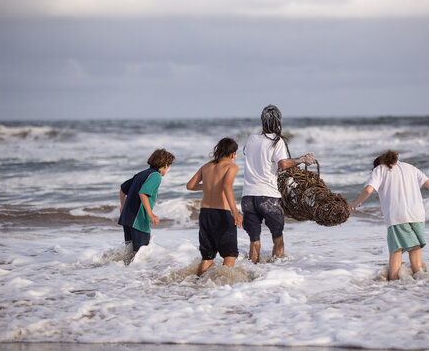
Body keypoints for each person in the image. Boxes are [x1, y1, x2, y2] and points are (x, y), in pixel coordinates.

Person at [350, 150, 429, 281]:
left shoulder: (379, 169)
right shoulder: (410, 168)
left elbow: (369, 189)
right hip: (418, 215)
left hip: (398, 216)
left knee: (396, 252)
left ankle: (393, 288)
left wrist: (357, 202)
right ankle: (424, 285)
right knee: (415, 253)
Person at [242, 104, 315, 263]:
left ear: (263, 121)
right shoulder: (277, 141)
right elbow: (282, 164)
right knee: (277, 237)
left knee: (254, 240)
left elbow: (245, 151)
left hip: (248, 197)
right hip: (267, 196)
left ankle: (252, 272)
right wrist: (301, 159)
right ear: (278, 122)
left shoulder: (252, 138)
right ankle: (276, 273)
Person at [187, 138, 242, 276]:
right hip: (222, 214)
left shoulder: (206, 166)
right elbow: (226, 186)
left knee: (208, 256)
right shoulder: (231, 166)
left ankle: (196, 284)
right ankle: (223, 287)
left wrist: (207, 186)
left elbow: (190, 186)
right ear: (233, 154)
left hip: (205, 213)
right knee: (230, 254)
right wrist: (235, 212)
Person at [118, 148, 175, 259]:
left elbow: (122, 189)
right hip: (138, 220)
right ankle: (137, 275)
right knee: (140, 254)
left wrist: (122, 207)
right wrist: (150, 214)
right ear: (165, 165)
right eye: (170, 165)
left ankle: (125, 274)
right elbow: (143, 193)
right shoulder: (156, 176)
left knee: (130, 254)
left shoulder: (142, 173)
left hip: (127, 219)